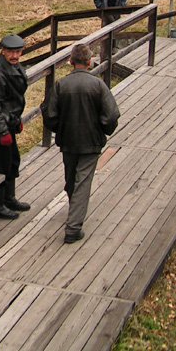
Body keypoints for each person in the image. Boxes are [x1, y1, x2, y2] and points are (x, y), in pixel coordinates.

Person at [41, 43, 120, 243]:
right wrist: (102, 129)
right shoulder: (98, 85)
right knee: (82, 182)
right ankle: (73, 228)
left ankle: (74, 211)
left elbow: (49, 114)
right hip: (91, 142)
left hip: (68, 141)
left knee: (71, 179)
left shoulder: (60, 85)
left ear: (70, 62)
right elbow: (111, 115)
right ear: (89, 62)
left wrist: (60, 129)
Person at [0, 33, 32, 219]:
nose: (15, 56)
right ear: (2, 51)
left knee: (12, 161)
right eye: (11, 52)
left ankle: (9, 198)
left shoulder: (14, 66)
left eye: (18, 52)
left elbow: (14, 98)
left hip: (8, 121)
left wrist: (16, 120)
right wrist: (3, 131)